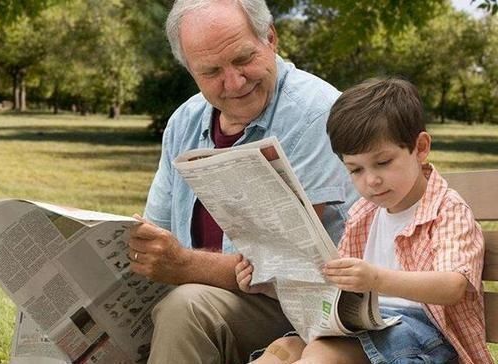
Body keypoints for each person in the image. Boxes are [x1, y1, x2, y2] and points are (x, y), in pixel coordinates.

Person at [126, 0, 358, 362]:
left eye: (242, 59)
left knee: (186, 307)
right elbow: (159, 231)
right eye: (211, 71)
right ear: (191, 71)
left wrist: (184, 265)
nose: (234, 82)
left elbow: (283, 265)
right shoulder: (184, 122)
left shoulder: (318, 113)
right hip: (218, 301)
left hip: (309, 312)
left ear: (271, 38)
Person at [237, 78, 493, 364]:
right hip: (365, 324)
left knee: (322, 354)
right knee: (283, 350)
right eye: (355, 170)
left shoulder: (446, 209)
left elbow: (453, 287)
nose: (371, 180)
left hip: (426, 337)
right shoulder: (364, 213)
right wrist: (268, 284)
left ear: (420, 148)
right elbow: (332, 289)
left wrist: (377, 280)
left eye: (383, 162)